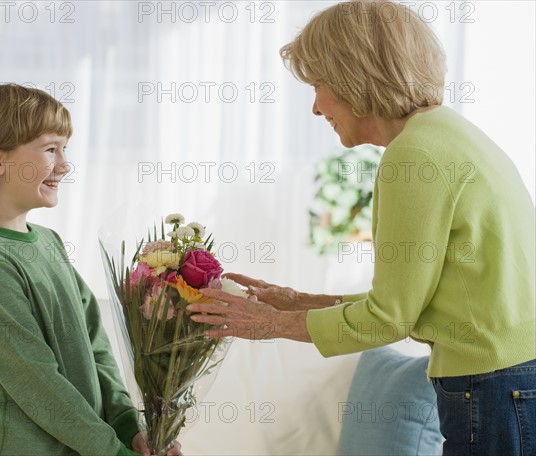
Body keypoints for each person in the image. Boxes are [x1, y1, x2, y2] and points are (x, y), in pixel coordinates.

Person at [187, 1, 536, 455]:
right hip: (509, 379)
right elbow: (412, 302)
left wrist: (272, 323)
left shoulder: (414, 157)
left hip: (489, 387)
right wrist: (298, 302)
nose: (315, 108)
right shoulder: (448, 136)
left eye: (319, 85)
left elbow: (389, 320)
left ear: (356, 74)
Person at [0, 84, 182, 456]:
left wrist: (126, 426)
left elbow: (95, 343)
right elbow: (37, 382)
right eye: (50, 148)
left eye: (64, 148)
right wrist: (113, 451)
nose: (65, 164)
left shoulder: (48, 242)